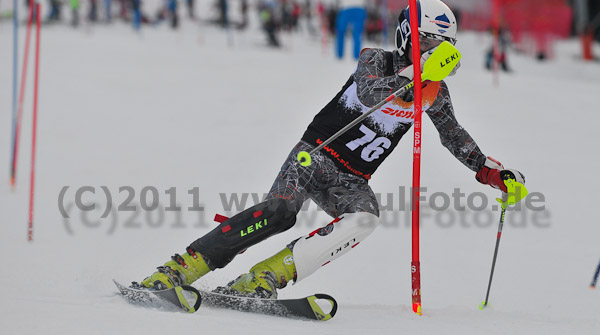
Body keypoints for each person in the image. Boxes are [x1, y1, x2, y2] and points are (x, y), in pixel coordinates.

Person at [134, 0, 525, 299]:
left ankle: (266, 276)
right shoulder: (376, 59)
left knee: (366, 218)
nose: (434, 52)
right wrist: (414, 72)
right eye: (427, 42)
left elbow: (454, 136)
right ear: (407, 36)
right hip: (315, 155)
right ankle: (180, 269)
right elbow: (372, 93)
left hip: (352, 179)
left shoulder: (434, 93)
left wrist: (492, 172)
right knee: (281, 212)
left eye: (443, 46)